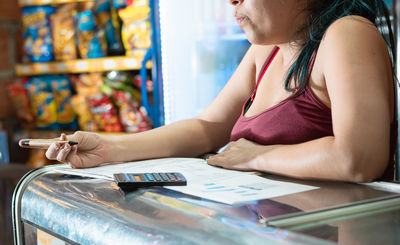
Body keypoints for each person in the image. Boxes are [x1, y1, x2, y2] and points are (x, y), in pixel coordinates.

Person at [31, 0, 396, 182]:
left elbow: (358, 159)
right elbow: (208, 126)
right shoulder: (267, 50)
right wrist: (110, 149)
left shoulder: (347, 33)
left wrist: (254, 157)